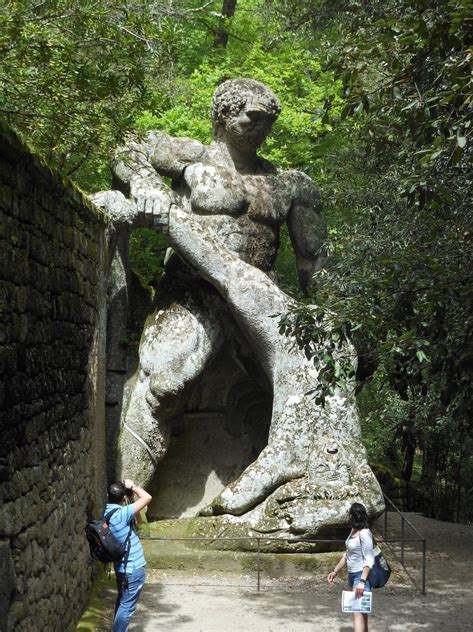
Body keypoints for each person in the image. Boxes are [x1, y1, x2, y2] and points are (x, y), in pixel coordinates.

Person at [107, 78, 327, 488]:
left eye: (269, 122)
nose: (262, 129)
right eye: (253, 118)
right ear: (224, 115)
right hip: (194, 292)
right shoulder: (192, 157)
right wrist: (146, 184)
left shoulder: (289, 184)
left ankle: (301, 491)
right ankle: (125, 505)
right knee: (164, 381)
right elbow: (126, 143)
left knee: (310, 383)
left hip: (260, 297)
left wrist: (334, 320)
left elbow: (315, 264)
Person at [105, 479, 152, 632]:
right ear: (123, 498)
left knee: (122, 603)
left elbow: (138, 522)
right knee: (126, 608)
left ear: (108, 496)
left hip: (122, 567)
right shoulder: (122, 513)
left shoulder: (107, 512)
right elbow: (147, 498)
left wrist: (131, 498)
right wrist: (133, 487)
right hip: (133, 568)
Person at [327, 502, 375, 632]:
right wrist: (335, 571)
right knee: (361, 612)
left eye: (349, 513)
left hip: (361, 576)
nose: (347, 516)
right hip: (352, 575)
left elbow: (369, 559)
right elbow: (347, 555)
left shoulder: (365, 533)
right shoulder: (353, 531)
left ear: (353, 515)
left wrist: (362, 581)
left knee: (357, 612)